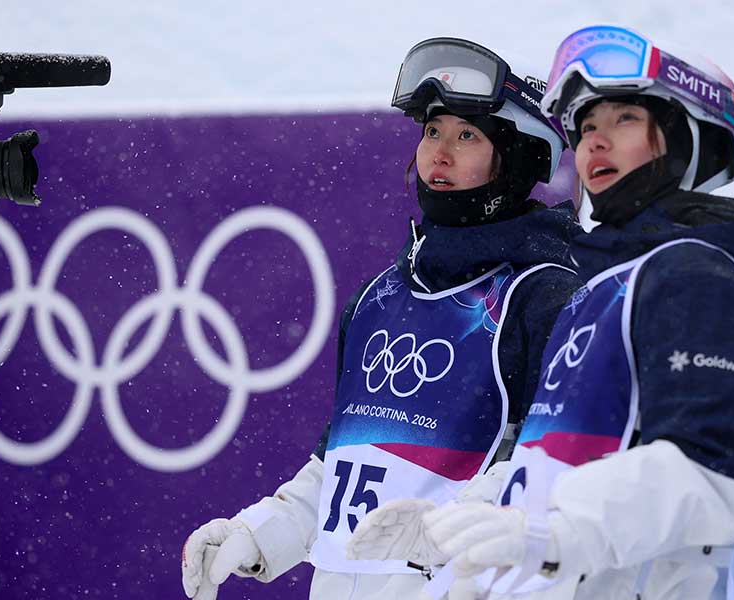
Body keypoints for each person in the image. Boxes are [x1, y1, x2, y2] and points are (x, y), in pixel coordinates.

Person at [348, 25, 734, 600]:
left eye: (623, 121)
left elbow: (714, 476)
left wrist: (551, 529)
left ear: (688, 139)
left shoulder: (701, 277)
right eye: (586, 127)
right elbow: (564, 461)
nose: (595, 144)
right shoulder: (599, 291)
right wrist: (465, 522)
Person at [180, 37, 584, 600]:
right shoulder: (376, 299)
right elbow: (343, 470)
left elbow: (561, 471)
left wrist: (449, 531)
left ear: (515, 159)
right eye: (432, 131)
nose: (439, 152)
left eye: (467, 135)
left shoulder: (544, 298)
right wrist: (257, 534)